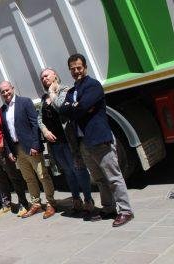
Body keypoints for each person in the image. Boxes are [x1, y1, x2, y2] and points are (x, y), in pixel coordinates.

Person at [60, 53, 134, 227]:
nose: (76, 71)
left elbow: (81, 108)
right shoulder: (72, 91)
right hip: (83, 142)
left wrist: (77, 108)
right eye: (72, 69)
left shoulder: (93, 86)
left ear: (85, 67)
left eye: (79, 68)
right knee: (99, 179)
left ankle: (126, 211)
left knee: (113, 177)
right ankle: (108, 208)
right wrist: (76, 107)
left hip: (99, 138)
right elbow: (64, 109)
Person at [38, 68, 93, 214]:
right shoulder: (44, 98)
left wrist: (52, 92)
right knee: (68, 172)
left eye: (46, 76)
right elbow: (39, 118)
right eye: (42, 78)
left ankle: (88, 200)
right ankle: (76, 200)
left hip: (68, 140)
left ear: (55, 75)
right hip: (55, 144)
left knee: (78, 170)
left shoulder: (65, 90)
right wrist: (45, 131)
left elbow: (61, 107)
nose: (44, 79)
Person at [0, 81, 56, 219]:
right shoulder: (2, 110)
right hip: (17, 149)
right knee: (28, 178)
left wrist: (35, 145)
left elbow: (34, 124)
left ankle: (50, 203)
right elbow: (5, 133)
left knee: (43, 176)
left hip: (30, 147)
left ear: (12, 88)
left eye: (7, 90)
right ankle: (36, 203)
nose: (6, 93)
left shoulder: (25, 102)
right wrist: (10, 151)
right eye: (3, 92)